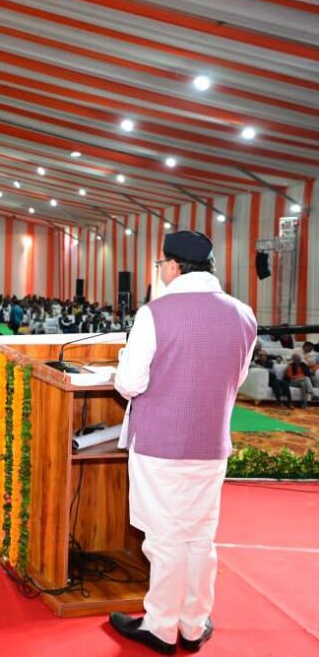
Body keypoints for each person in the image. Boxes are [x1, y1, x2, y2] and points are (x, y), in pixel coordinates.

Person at [111, 231, 256, 655]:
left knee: (164, 539)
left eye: (161, 266)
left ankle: (159, 627)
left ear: (172, 266)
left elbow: (130, 383)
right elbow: (237, 377)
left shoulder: (155, 313)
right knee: (199, 537)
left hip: (160, 445)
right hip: (211, 443)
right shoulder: (243, 313)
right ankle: (193, 625)